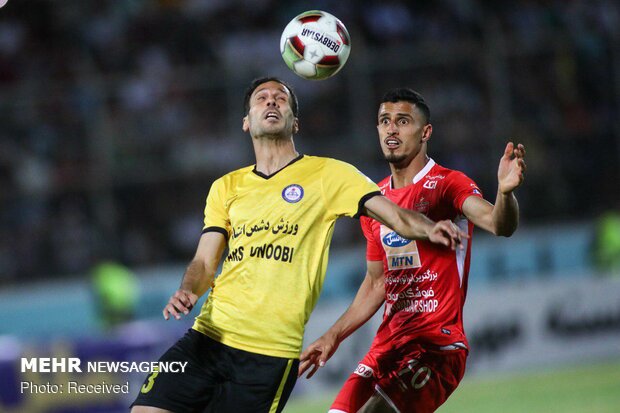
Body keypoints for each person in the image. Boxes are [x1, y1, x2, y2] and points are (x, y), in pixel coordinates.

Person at [130, 78, 468, 413]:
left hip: (269, 354)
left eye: (281, 98)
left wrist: (430, 228)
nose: (272, 102)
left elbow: (395, 215)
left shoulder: (330, 175)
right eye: (262, 98)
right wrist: (189, 289)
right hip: (207, 338)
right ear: (247, 122)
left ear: (295, 121)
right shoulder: (225, 186)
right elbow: (205, 261)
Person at [298, 88, 526, 413]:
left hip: (437, 346)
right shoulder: (375, 200)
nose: (391, 129)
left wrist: (505, 194)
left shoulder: (448, 184)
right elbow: (377, 283)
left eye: (402, 121)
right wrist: (333, 336)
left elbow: (499, 224)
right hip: (387, 346)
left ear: (425, 132)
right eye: (384, 121)